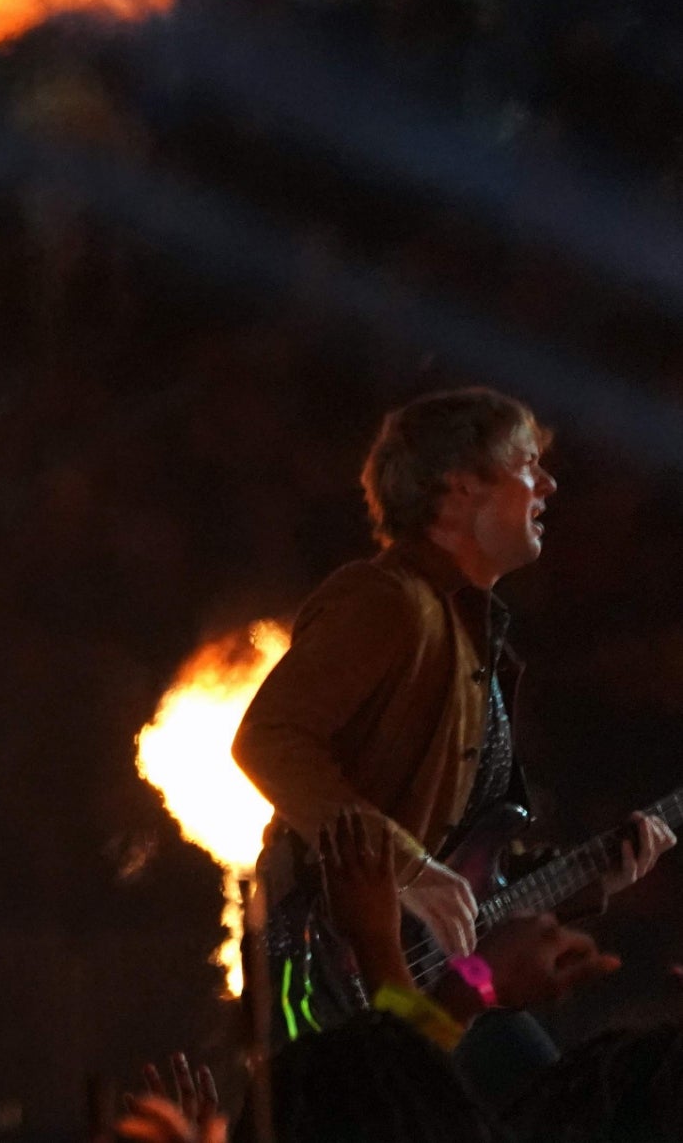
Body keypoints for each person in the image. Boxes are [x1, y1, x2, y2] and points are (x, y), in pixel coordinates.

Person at [232, 389, 673, 1017]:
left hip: (419, 976)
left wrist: (595, 877)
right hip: (325, 978)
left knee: (540, 1092)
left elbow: (465, 873)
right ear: (459, 486)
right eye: (525, 463)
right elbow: (268, 740)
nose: (547, 484)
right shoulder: (388, 600)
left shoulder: (468, 634)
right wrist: (408, 871)